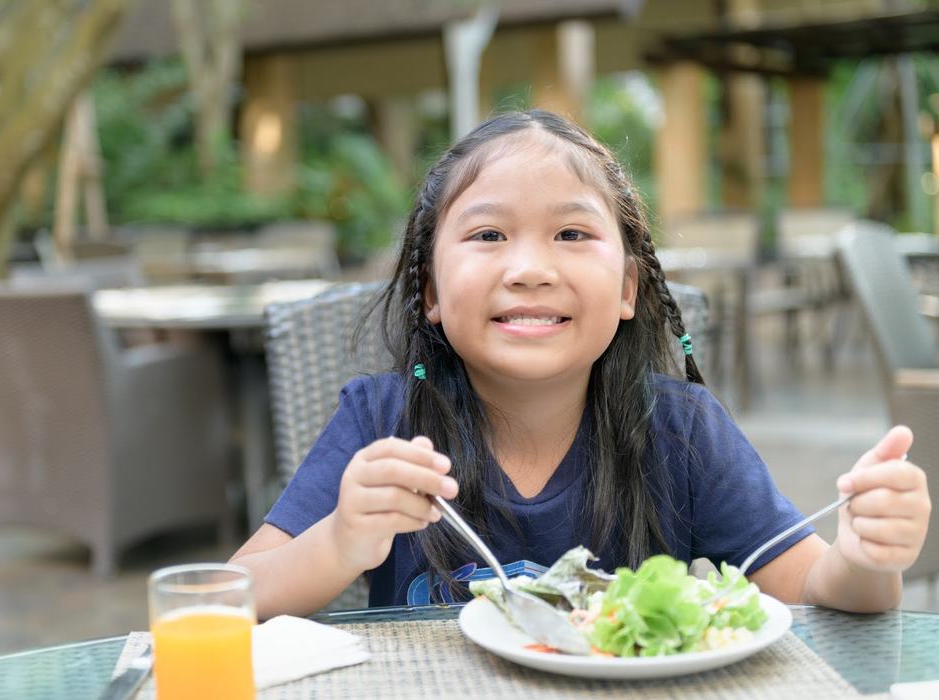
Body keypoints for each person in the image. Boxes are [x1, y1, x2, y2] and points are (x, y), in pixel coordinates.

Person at [230, 110, 931, 618]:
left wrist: (869, 560)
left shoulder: (680, 431)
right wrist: (341, 540)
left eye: (571, 233)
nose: (530, 268)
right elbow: (227, 599)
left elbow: (820, 590)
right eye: (488, 234)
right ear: (432, 293)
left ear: (628, 288)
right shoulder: (380, 422)